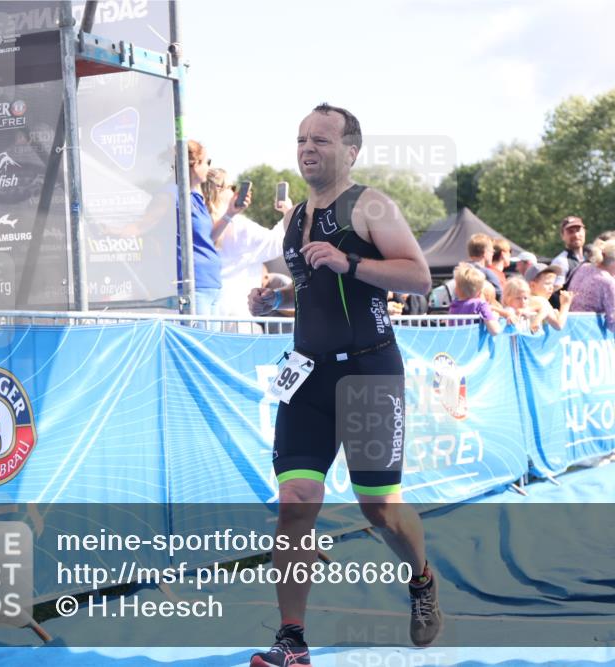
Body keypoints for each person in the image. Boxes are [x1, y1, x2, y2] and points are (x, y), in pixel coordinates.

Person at [246, 103, 440, 667]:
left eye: (322, 140)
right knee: (295, 501)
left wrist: (348, 262)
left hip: (368, 371)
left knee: (378, 508)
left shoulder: (370, 204)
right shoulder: (293, 218)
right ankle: (292, 640)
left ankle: (421, 578)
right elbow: (313, 288)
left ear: (350, 151)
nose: (308, 148)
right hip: (307, 373)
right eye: (302, 139)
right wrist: (274, 299)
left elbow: (419, 276)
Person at [204, 167, 289, 332]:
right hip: (238, 320)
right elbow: (277, 243)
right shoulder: (239, 227)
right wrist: (287, 212)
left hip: (209, 317)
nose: (235, 192)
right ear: (219, 189)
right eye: (232, 188)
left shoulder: (199, 224)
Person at [178, 140, 250, 319]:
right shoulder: (173, 196)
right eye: (206, 162)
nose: (209, 167)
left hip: (212, 284)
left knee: (210, 344)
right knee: (198, 344)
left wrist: (230, 213)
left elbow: (209, 236)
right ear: (193, 165)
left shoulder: (195, 197)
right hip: (194, 285)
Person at [568, 237, 615, 354]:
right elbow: (613, 325)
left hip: (571, 323)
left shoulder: (583, 267)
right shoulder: (608, 282)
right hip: (588, 331)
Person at [449, 263, 504, 335]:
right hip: (476, 345)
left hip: (458, 345)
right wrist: (495, 317)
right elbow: (495, 331)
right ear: (480, 292)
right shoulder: (480, 305)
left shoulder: (453, 305)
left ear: (456, 290)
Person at [549, 215, 586, 307]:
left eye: (578, 230)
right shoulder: (560, 261)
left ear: (584, 232)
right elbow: (554, 293)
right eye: (570, 232)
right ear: (562, 236)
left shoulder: (591, 258)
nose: (576, 235)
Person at [525, 264, 573, 331]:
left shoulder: (526, 300)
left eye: (552, 284)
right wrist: (565, 304)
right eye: (547, 283)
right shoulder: (541, 301)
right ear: (532, 285)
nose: (551, 287)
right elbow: (559, 325)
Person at [464, 233, 503, 301]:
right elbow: (500, 295)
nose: (493, 254)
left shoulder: (461, 272)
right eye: (492, 251)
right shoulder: (487, 273)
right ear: (485, 252)